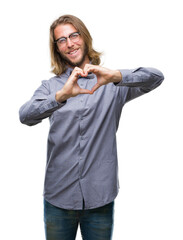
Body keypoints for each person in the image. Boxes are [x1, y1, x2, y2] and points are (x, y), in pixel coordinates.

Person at [19, 14, 164, 240]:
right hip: (58, 196)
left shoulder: (111, 82)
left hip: (100, 197)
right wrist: (59, 97)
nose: (70, 43)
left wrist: (117, 76)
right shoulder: (51, 87)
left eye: (74, 35)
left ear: (84, 38)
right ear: (57, 48)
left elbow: (156, 77)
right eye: (61, 40)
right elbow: (25, 116)